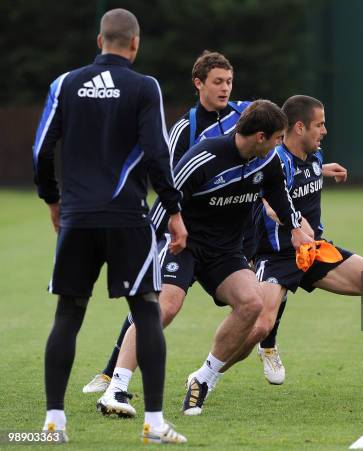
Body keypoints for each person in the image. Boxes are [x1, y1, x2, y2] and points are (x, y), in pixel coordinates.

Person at [83, 51, 346, 392]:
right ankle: (112, 374)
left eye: (229, 82)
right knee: (163, 301)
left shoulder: (246, 115)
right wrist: (160, 234)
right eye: (218, 82)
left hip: (237, 232)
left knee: (255, 300)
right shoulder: (187, 131)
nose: (225, 88)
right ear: (198, 84)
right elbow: (171, 183)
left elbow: (278, 146)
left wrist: (314, 172)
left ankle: (246, 356)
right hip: (187, 232)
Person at [181, 95, 363, 416]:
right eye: (319, 124)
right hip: (275, 256)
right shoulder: (274, 159)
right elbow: (267, 202)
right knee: (259, 326)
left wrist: (324, 172)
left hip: (314, 250)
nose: (325, 130)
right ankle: (206, 376)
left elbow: (307, 175)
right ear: (300, 127)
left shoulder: (314, 155)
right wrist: (296, 226)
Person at [95, 100, 312, 417]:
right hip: (183, 244)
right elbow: (164, 201)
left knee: (252, 303)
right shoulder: (204, 156)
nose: (282, 143)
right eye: (279, 137)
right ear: (261, 136)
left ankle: (203, 379)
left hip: (225, 251)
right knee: (166, 307)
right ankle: (116, 390)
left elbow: (279, 195)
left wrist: (295, 229)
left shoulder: (268, 162)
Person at [33, 8, 188, 444]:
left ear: (99, 41)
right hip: (127, 219)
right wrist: (173, 211)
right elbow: (158, 153)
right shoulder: (144, 87)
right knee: (146, 311)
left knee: (68, 314)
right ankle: (155, 424)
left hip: (78, 218)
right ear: (135, 45)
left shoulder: (65, 83)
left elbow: (42, 149)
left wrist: (52, 200)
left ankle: (53, 424)